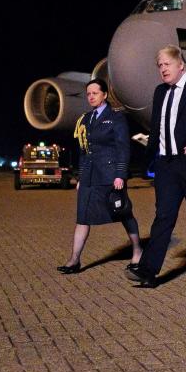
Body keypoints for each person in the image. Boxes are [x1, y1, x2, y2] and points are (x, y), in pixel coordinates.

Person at [126, 45, 186, 287]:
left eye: (166, 64)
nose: (162, 69)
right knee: (163, 217)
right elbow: (158, 127)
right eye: (159, 65)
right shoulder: (160, 92)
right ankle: (148, 271)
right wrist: (149, 160)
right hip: (166, 165)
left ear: (181, 64)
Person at [58, 79, 142, 274]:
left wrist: (120, 175)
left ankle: (137, 250)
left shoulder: (116, 117)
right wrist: (80, 177)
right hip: (89, 176)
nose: (91, 96)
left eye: (95, 93)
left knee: (123, 213)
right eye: (88, 94)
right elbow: (83, 150)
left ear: (105, 95)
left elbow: (123, 148)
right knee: (82, 217)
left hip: (110, 176)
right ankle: (74, 260)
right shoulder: (85, 119)